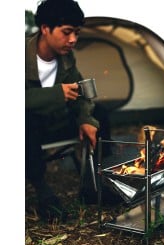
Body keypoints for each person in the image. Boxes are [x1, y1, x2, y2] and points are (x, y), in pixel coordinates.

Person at [25, 0, 104, 222]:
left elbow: (80, 94)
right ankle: (43, 192)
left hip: (56, 122)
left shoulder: (67, 58)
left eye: (76, 33)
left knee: (102, 115)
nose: (73, 40)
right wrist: (56, 94)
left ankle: (97, 181)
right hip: (30, 129)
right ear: (44, 28)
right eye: (67, 32)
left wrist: (86, 118)